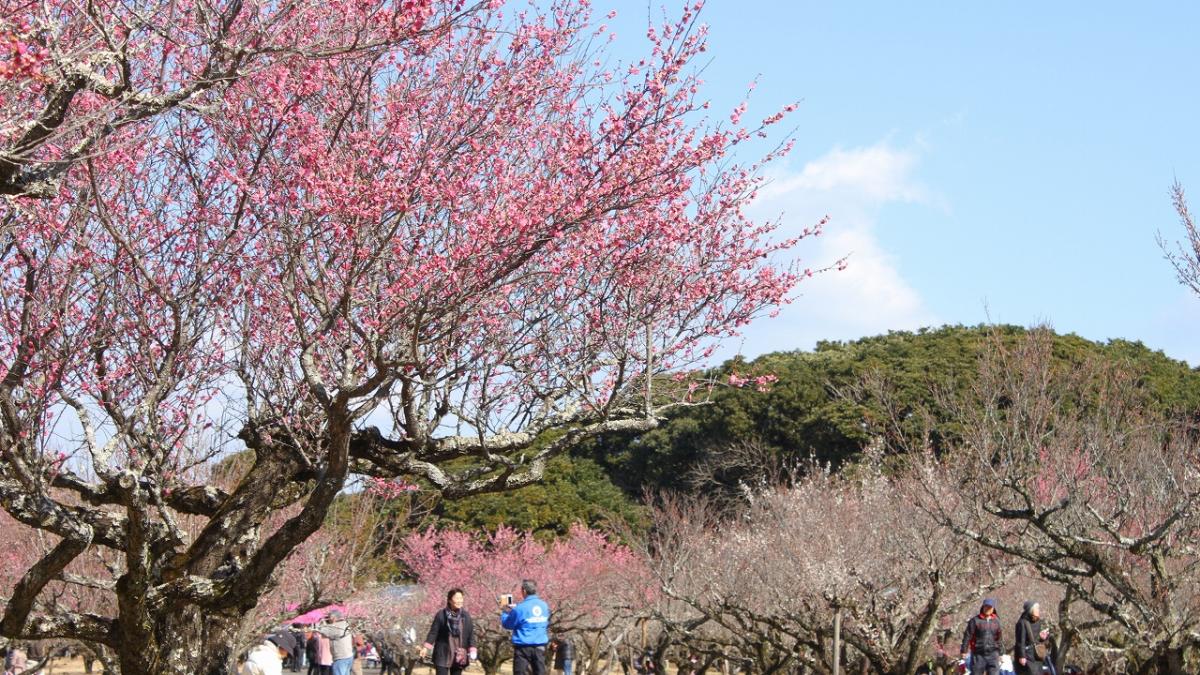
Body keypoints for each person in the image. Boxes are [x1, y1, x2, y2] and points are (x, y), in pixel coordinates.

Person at [421, 588, 478, 675]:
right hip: (443, 653)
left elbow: (470, 634)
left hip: (459, 653)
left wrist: (473, 649)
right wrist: (426, 647)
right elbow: (434, 632)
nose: (460, 601)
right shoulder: (441, 614)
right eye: (457, 598)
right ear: (450, 600)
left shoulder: (466, 616)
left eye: (461, 598)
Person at [500, 579, 551, 675]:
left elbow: (507, 624)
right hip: (540, 646)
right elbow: (546, 622)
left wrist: (505, 611)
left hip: (523, 647)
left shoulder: (520, 608)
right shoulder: (544, 606)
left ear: (524, 591)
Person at [960, 598, 1003, 675]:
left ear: (993, 609)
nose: (987, 609)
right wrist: (964, 650)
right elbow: (967, 636)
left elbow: (999, 638)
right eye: (986, 607)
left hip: (993, 654)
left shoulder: (997, 621)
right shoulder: (975, 620)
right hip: (978, 654)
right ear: (983, 607)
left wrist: (1001, 653)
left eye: (990, 607)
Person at [1014, 601, 1050, 675]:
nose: (1039, 610)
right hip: (1027, 656)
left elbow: (1036, 640)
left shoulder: (1038, 621)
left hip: (1037, 655)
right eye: (1037, 608)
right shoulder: (1022, 622)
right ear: (1031, 610)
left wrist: (1042, 638)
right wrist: (1022, 656)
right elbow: (1020, 641)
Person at [318, 610, 355, 675]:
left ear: (333, 618)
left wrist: (321, 622)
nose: (328, 619)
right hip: (348, 655)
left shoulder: (336, 627)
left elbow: (321, 630)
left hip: (341, 657)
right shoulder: (345, 624)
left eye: (328, 617)